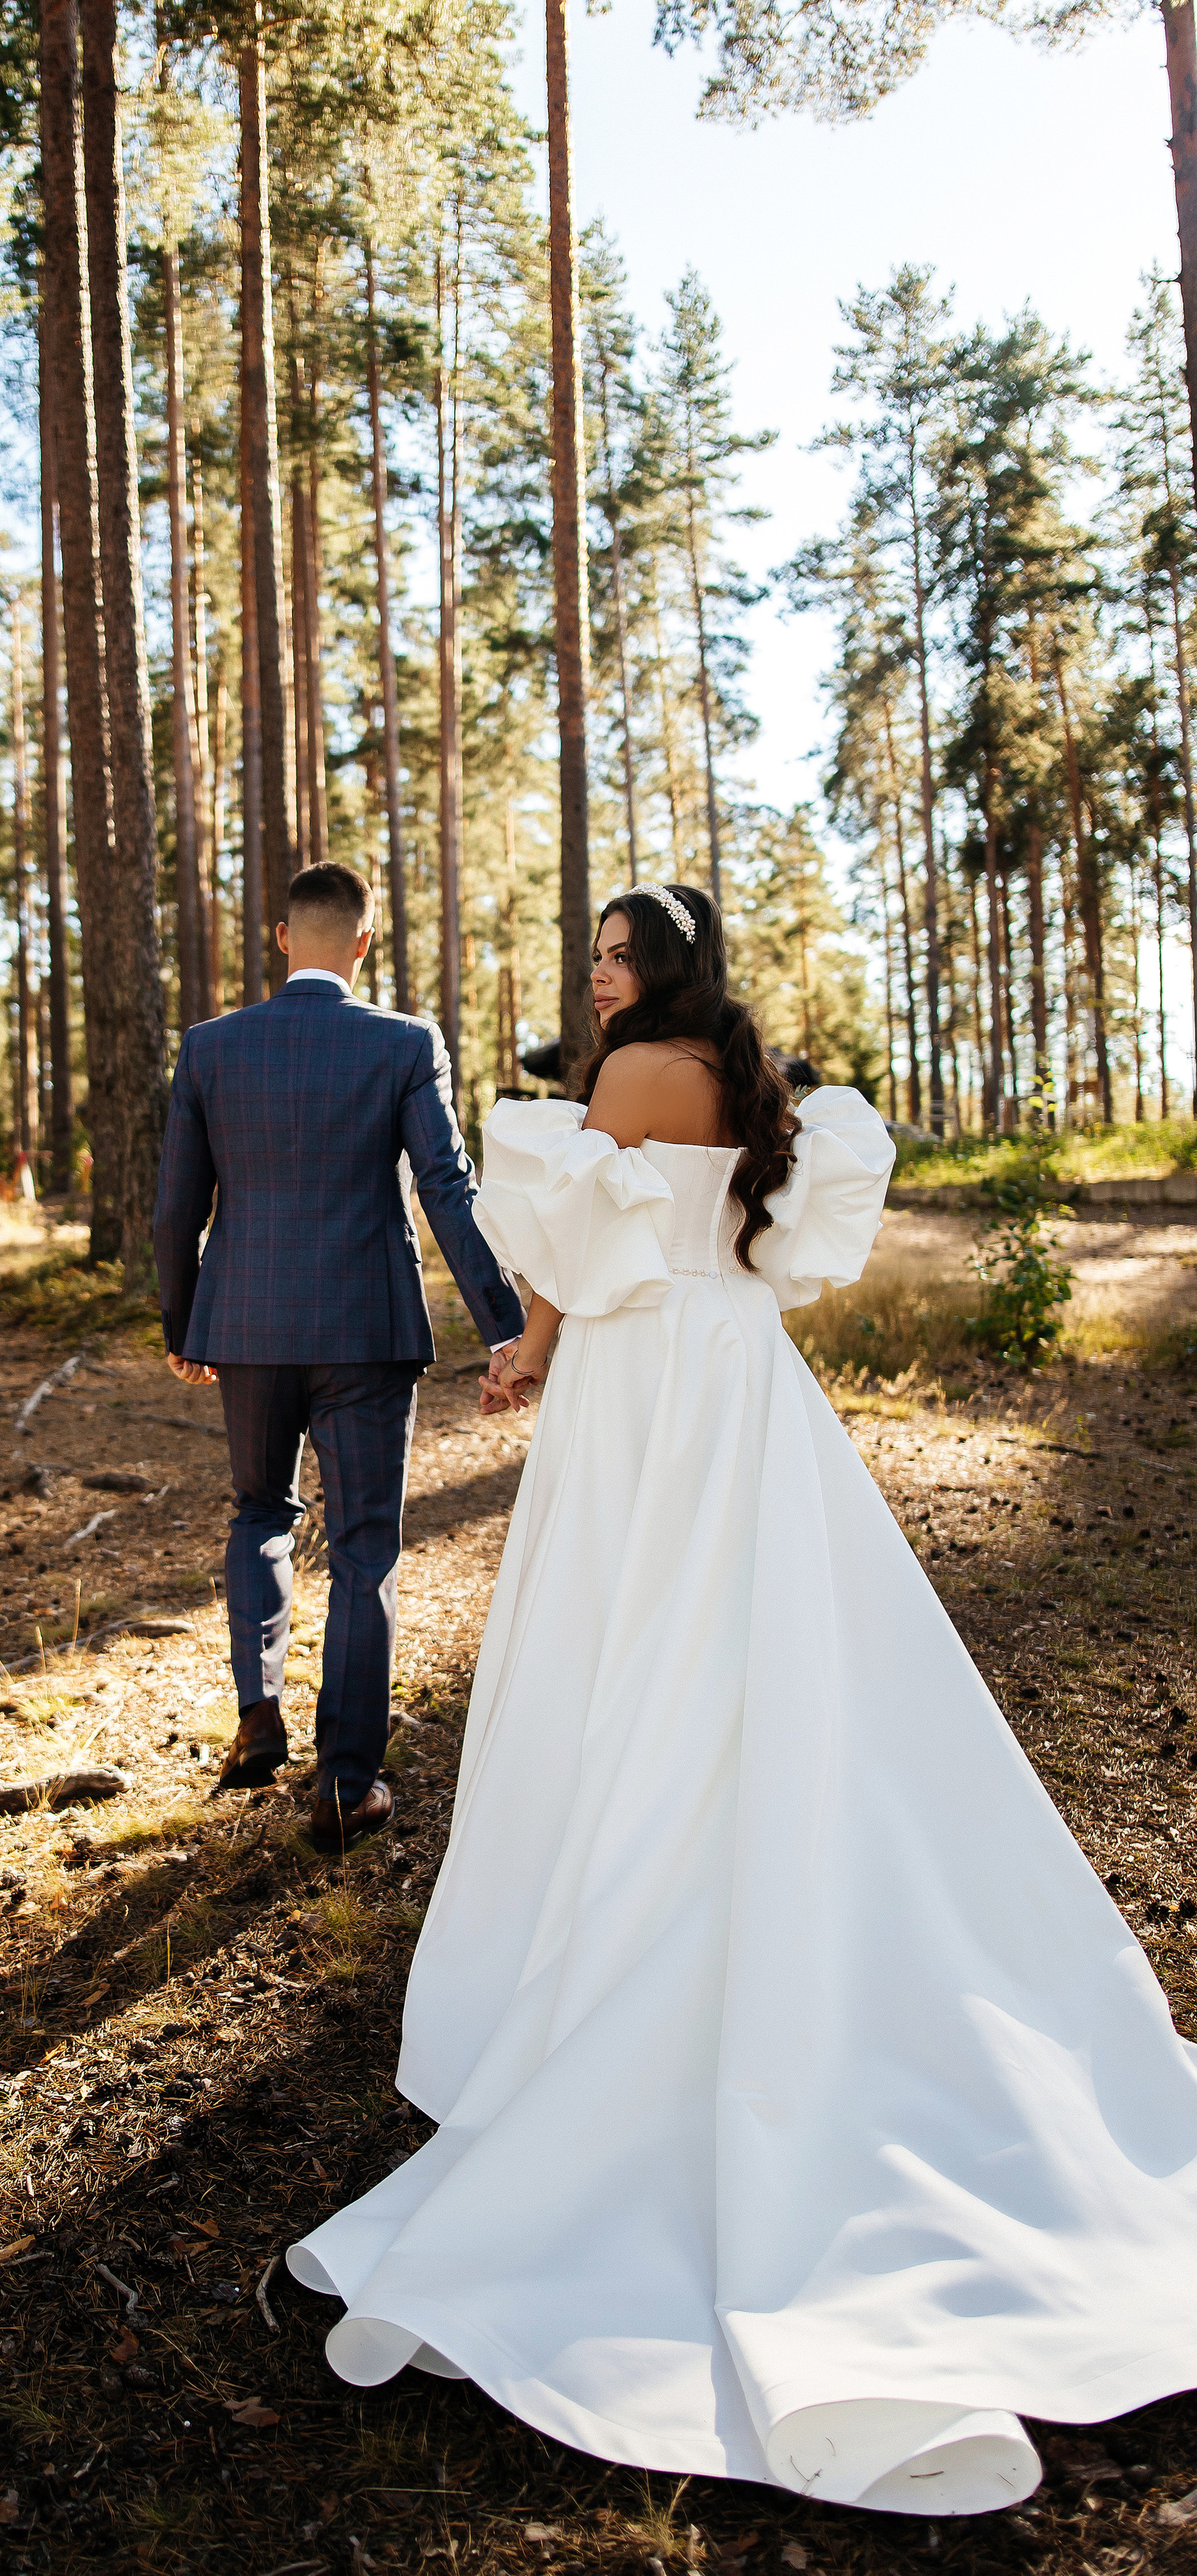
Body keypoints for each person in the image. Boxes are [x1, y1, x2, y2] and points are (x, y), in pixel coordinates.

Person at [288, 880, 1197, 2515]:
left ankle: (635, 1938)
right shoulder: (741, 1076)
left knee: (648, 1658)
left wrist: (535, 1335)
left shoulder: (637, 1069)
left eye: (603, 955)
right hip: (721, 1376)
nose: (589, 976)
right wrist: (537, 1344)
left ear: (649, 970)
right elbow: (662, 1235)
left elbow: (559, 1231)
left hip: (659, 1391)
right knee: (746, 1650)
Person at [152, 860, 524, 1855]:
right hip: (367, 1329)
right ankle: (346, 1784)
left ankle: (258, 1711)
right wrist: (505, 1324)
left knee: (260, 1513)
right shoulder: (404, 1044)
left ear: (283, 941)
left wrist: (186, 1324)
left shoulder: (212, 1049)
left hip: (249, 1328)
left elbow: (177, 1205)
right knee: (364, 1549)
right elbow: (448, 1186)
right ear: (364, 945)